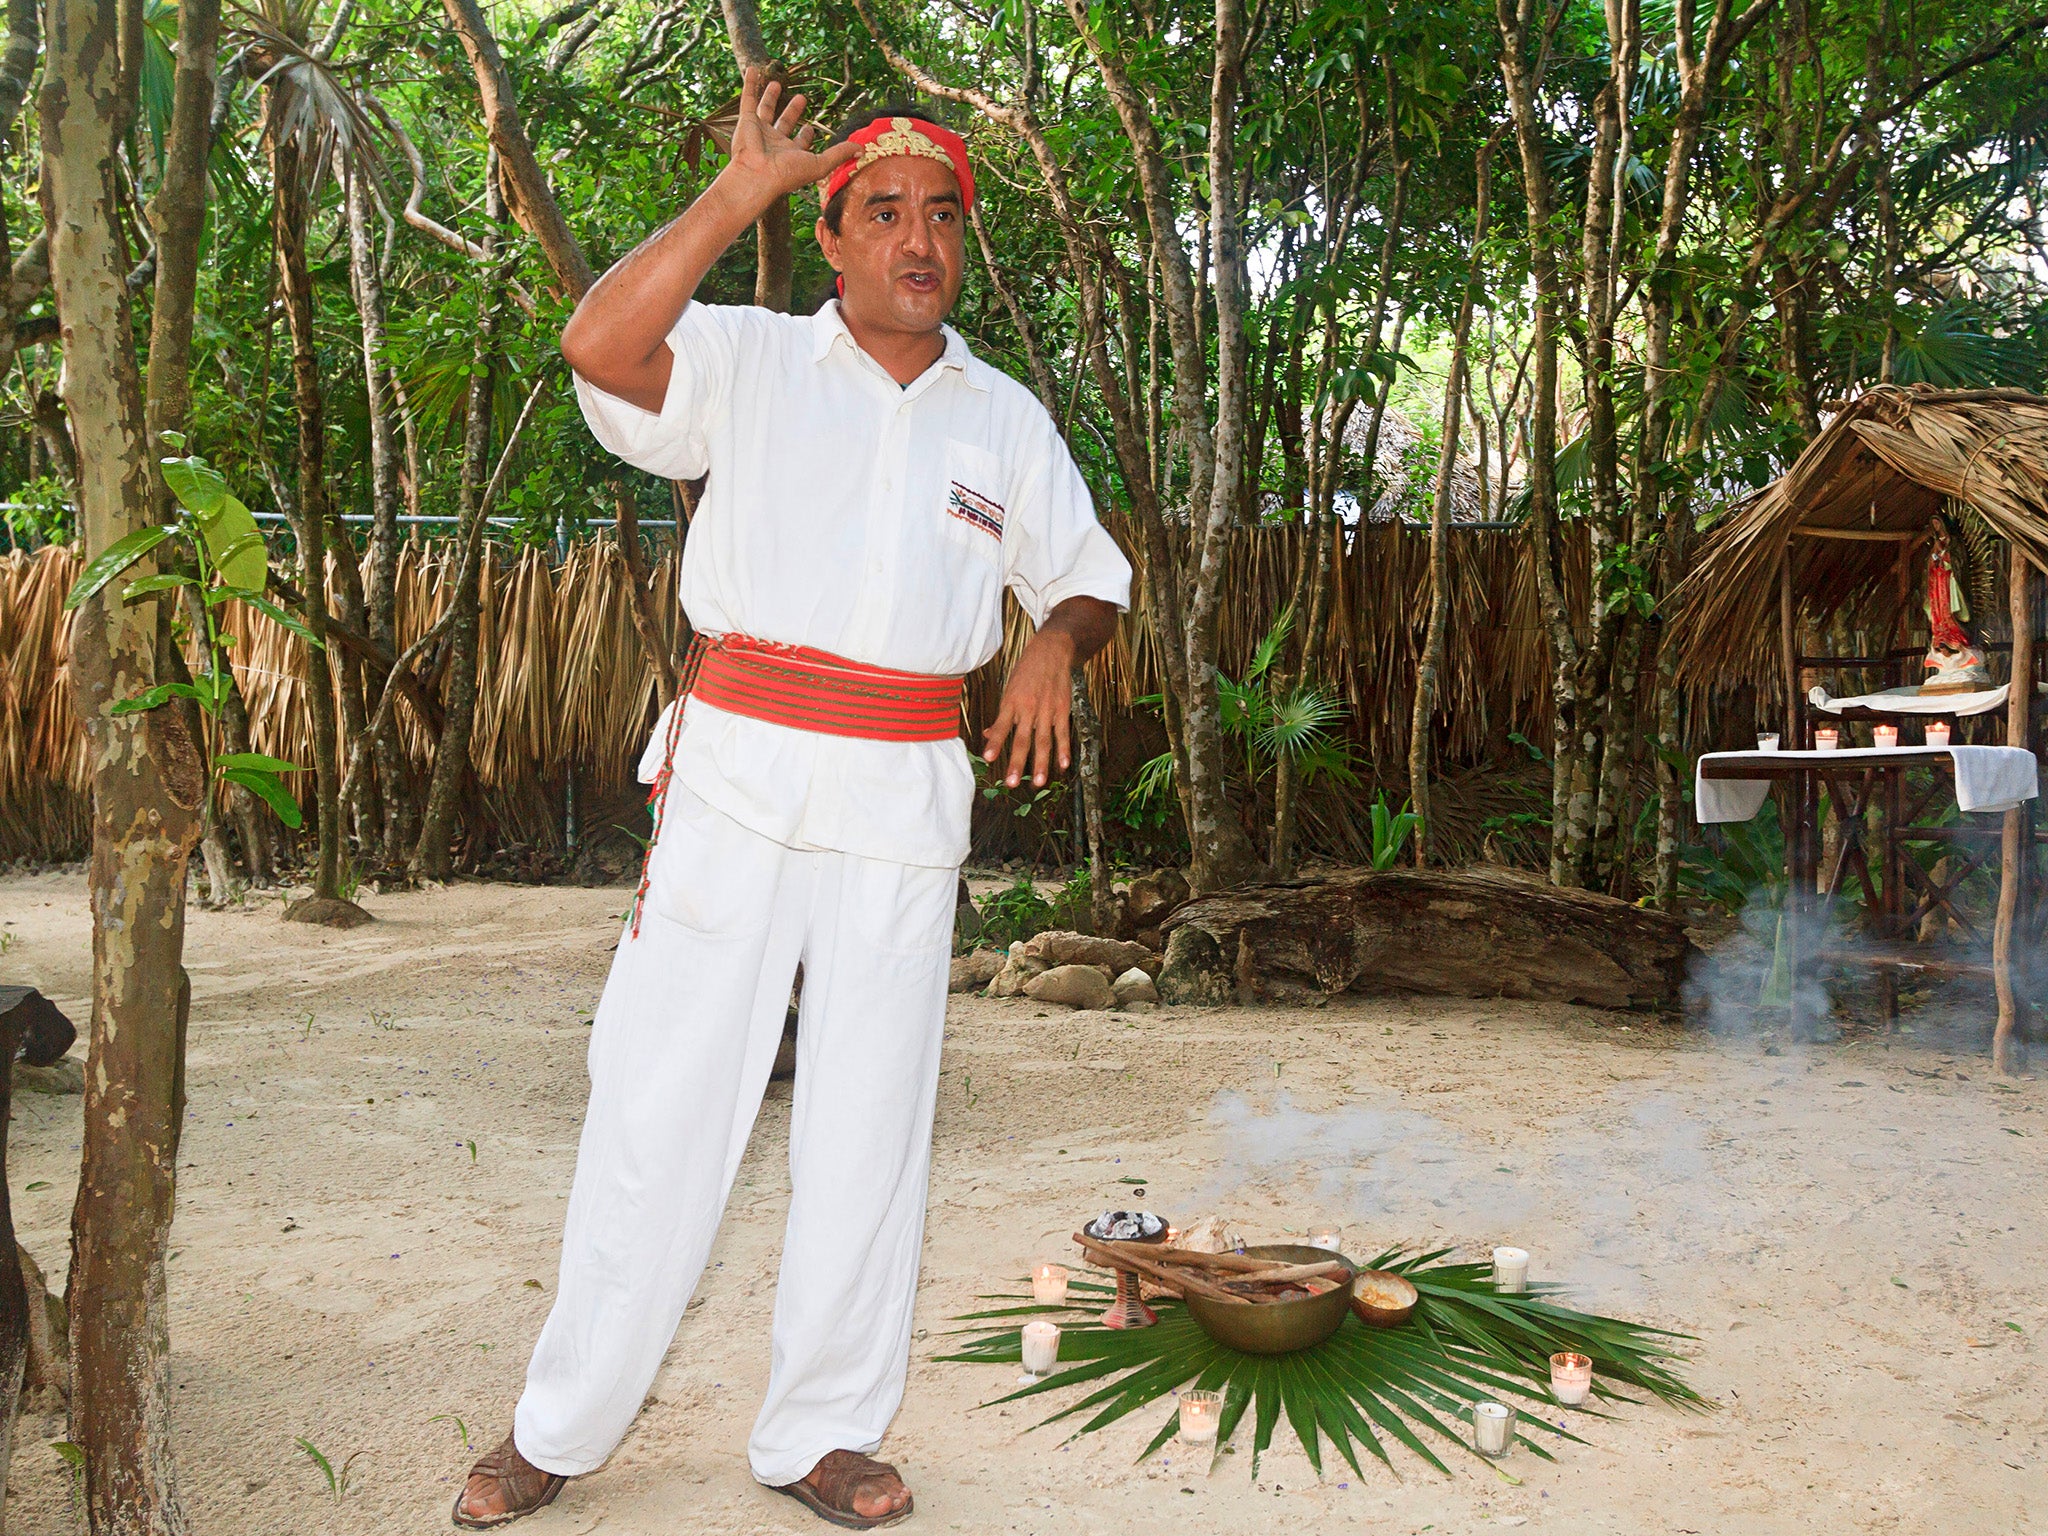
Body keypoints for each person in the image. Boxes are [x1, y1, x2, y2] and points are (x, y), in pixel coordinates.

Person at [451, 66, 1131, 1531]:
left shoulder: (1001, 420)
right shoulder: (749, 360)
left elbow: (1088, 576)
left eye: (941, 214)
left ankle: (822, 1432)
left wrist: (1055, 650)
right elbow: (596, 340)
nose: (917, 239)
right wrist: (731, 194)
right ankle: (558, 1425)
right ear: (831, 239)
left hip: (903, 796)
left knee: (870, 1125)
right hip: (740, 781)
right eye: (881, 212)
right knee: (658, 1101)